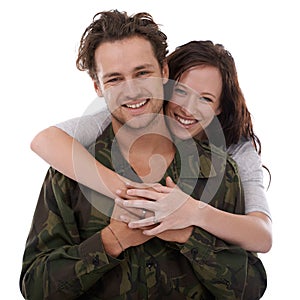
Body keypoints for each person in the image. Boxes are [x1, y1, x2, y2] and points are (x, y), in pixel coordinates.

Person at [20, 10, 267, 300]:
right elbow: (35, 288)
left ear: (164, 73)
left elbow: (251, 289)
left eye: (142, 73)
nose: (132, 90)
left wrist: (189, 234)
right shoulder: (68, 172)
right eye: (114, 79)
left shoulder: (222, 170)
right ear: (98, 87)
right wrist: (111, 242)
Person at [31, 40, 272, 253]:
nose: (187, 108)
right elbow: (45, 141)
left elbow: (262, 236)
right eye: (180, 92)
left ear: (220, 107)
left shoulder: (236, 149)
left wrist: (194, 213)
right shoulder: (123, 115)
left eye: (205, 99)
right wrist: (136, 196)